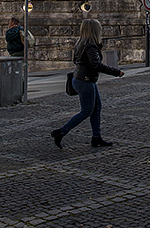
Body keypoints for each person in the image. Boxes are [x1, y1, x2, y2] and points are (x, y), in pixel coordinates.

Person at [51, 19, 124, 149]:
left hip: (81, 79)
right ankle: (61, 132)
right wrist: (116, 72)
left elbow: (76, 61)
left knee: (96, 108)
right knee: (86, 111)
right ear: (95, 31)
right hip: (85, 80)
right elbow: (96, 64)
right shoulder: (90, 46)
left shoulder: (81, 43)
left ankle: (96, 137)